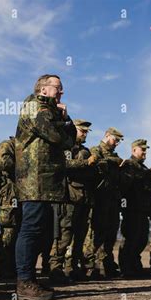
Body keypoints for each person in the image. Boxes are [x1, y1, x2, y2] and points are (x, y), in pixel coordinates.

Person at [14, 74, 76, 300]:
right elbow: (61, 139)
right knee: (30, 230)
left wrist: (64, 121)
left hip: (45, 181)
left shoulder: (48, 110)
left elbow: (67, 140)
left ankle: (30, 279)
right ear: (43, 89)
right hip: (34, 181)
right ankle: (24, 282)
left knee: (41, 231)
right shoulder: (35, 107)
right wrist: (66, 121)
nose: (61, 92)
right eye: (58, 88)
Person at [49, 119, 96, 284]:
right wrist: (85, 164)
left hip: (84, 199)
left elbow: (92, 173)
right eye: (82, 131)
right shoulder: (65, 147)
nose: (84, 134)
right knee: (64, 235)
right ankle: (55, 269)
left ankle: (72, 268)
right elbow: (64, 165)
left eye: (86, 132)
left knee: (80, 236)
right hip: (68, 198)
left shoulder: (86, 150)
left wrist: (89, 166)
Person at [118, 139, 151, 278]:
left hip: (143, 210)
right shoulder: (128, 165)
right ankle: (126, 268)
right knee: (130, 238)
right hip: (131, 208)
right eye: (142, 150)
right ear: (134, 150)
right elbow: (124, 186)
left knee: (141, 239)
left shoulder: (144, 169)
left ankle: (135, 265)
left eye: (145, 150)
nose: (145, 152)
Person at [89, 127, 124, 278]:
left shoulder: (115, 156)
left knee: (111, 235)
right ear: (107, 136)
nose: (116, 143)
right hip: (100, 200)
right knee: (97, 235)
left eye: (118, 141)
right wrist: (115, 161)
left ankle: (106, 265)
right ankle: (91, 267)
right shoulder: (96, 150)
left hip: (113, 201)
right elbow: (97, 163)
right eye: (115, 140)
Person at [0, 136, 19, 279]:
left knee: (17, 231)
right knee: (8, 230)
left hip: (19, 193)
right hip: (10, 194)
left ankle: (10, 267)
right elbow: (4, 164)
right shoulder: (7, 145)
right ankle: (1, 268)